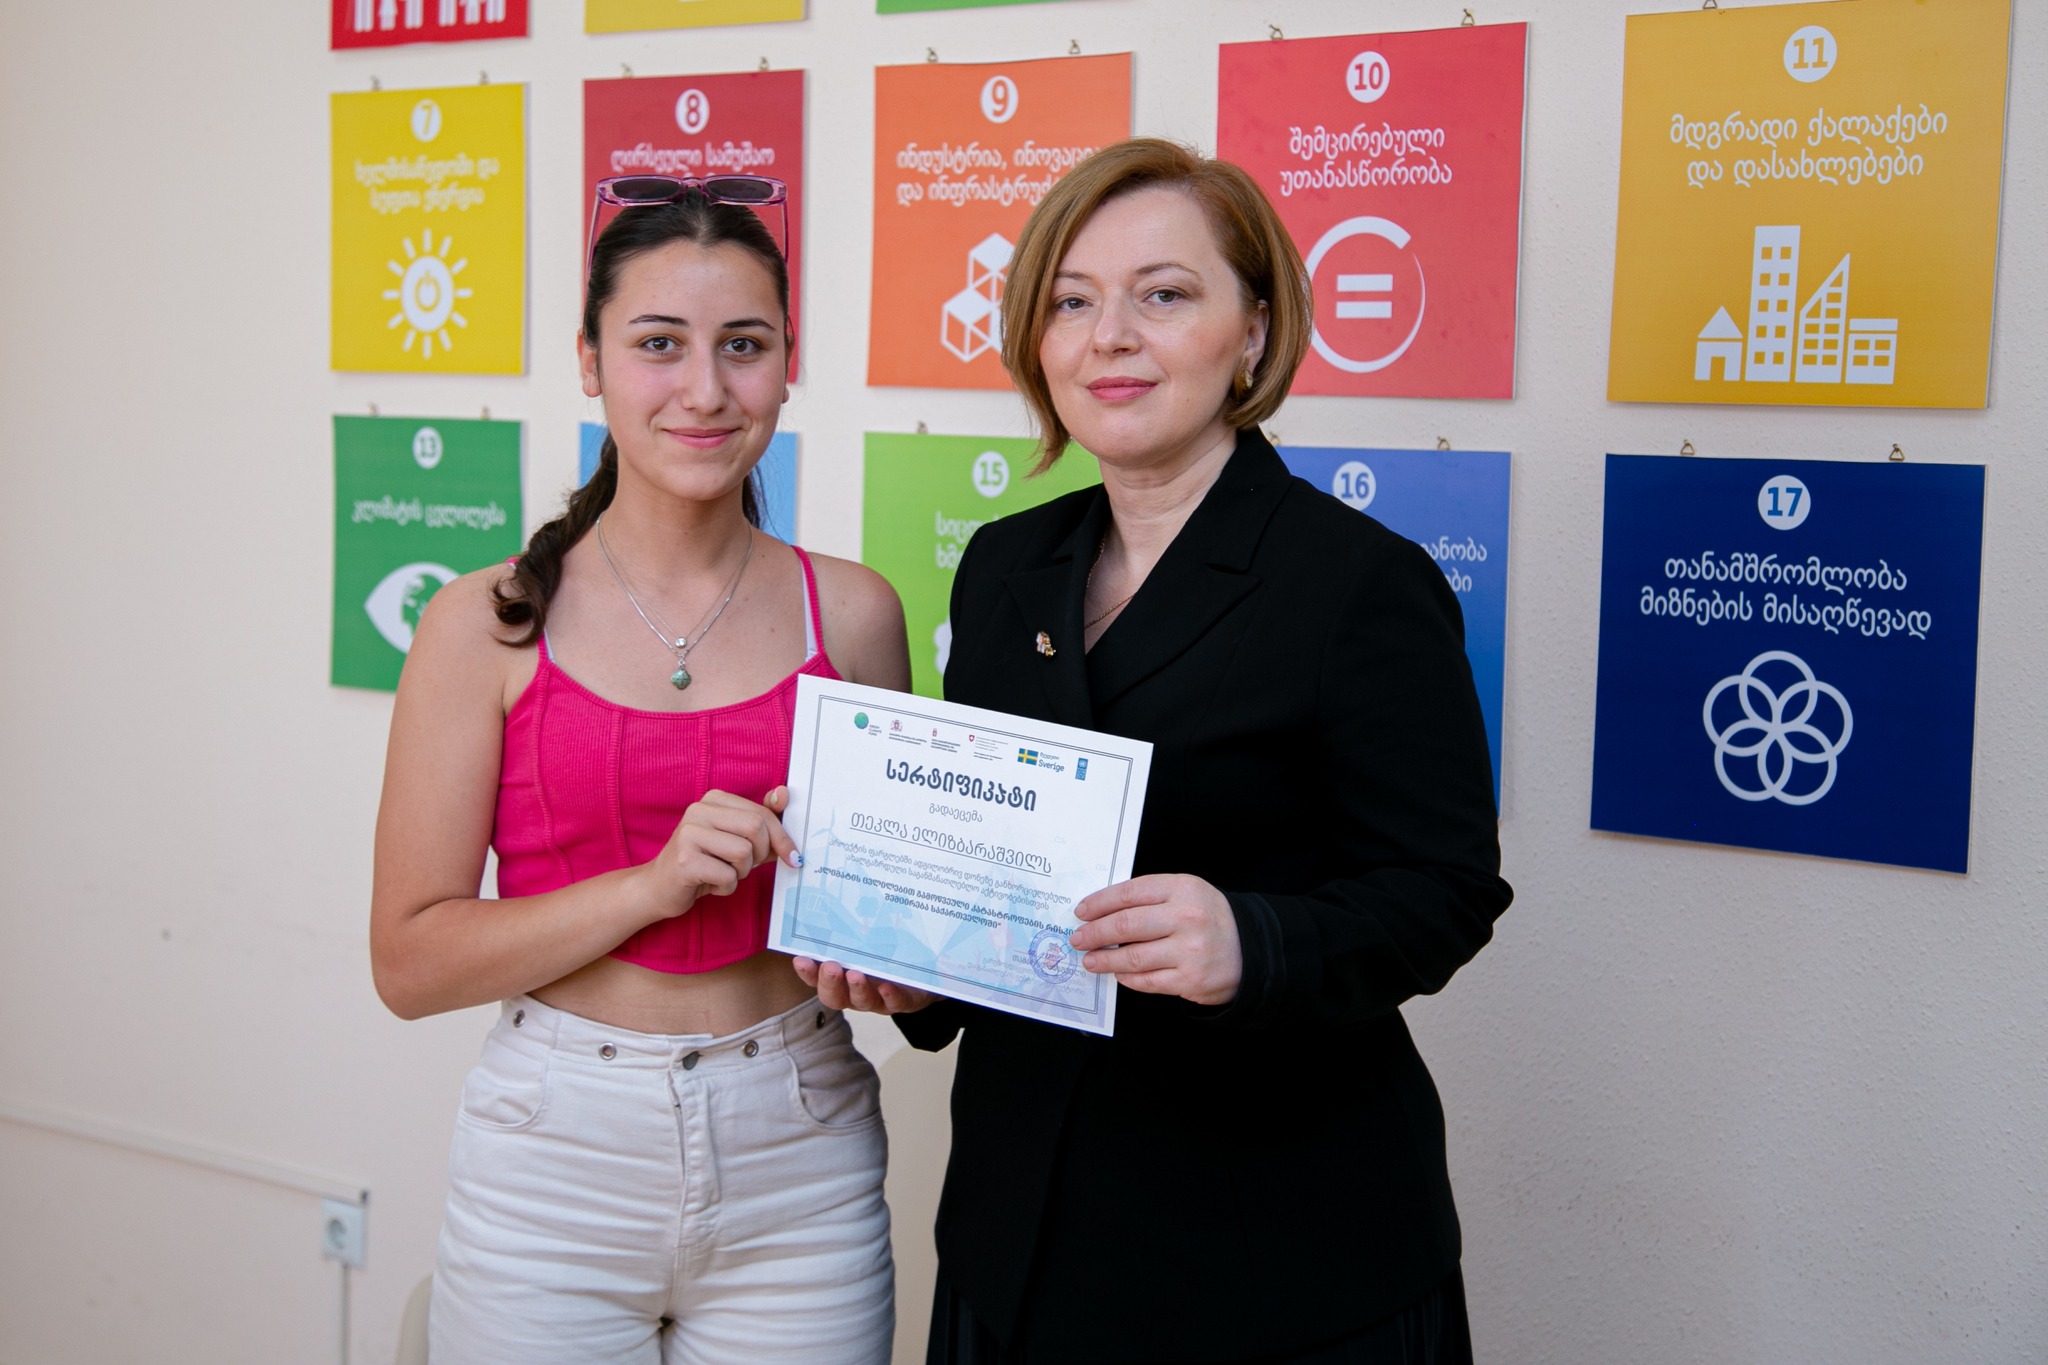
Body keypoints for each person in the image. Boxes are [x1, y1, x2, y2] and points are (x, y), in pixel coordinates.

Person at [799, 139, 1512, 1364]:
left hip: (1278, 1256)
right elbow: (993, 869)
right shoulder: (1006, 564)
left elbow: (1444, 891)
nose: (1109, 338)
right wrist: (916, 970)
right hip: (1021, 1237)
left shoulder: (1356, 583)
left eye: (1163, 295)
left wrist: (1253, 941)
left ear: (1252, 330)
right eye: (1071, 302)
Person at [370, 178, 908, 1365]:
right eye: (658, 344)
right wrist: (650, 888)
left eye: (743, 346)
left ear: (787, 365)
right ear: (589, 361)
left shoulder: (856, 614)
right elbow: (408, 964)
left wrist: (911, 971)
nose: (705, 390)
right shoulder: (481, 624)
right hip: (549, 1163)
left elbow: (890, 931)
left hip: (803, 1154)